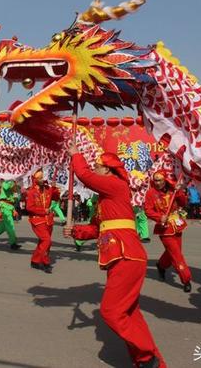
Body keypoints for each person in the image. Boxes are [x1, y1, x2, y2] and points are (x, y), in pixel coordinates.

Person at [64, 147, 165, 368]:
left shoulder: (116, 185)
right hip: (118, 257)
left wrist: (76, 156)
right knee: (130, 314)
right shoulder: (104, 200)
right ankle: (150, 362)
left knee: (110, 311)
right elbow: (97, 229)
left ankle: (147, 355)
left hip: (127, 255)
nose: (94, 169)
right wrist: (76, 232)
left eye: (97, 166)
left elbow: (84, 175)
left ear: (109, 170)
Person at [144, 170, 192, 293]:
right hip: (164, 228)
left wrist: (179, 192)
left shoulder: (173, 190)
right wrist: (159, 217)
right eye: (155, 180)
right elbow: (148, 210)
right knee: (176, 254)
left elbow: (183, 203)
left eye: (160, 180)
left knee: (173, 252)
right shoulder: (150, 193)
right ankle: (186, 279)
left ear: (165, 179)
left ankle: (161, 265)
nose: (157, 182)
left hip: (177, 224)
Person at [25, 169, 60, 273]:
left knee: (44, 242)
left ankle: (35, 261)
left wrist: (54, 189)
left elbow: (56, 198)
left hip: (48, 220)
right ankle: (45, 262)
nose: (42, 179)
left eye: (42, 177)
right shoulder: (31, 192)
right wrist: (43, 211)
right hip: (37, 220)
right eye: (39, 178)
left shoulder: (47, 189)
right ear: (35, 180)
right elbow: (29, 208)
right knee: (47, 240)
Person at [0, 179, 22, 250]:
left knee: (4, 225)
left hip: (11, 206)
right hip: (5, 206)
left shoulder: (14, 183)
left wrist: (17, 191)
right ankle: (13, 243)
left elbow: (17, 198)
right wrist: (13, 183)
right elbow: (6, 187)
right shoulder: (6, 182)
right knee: (10, 225)